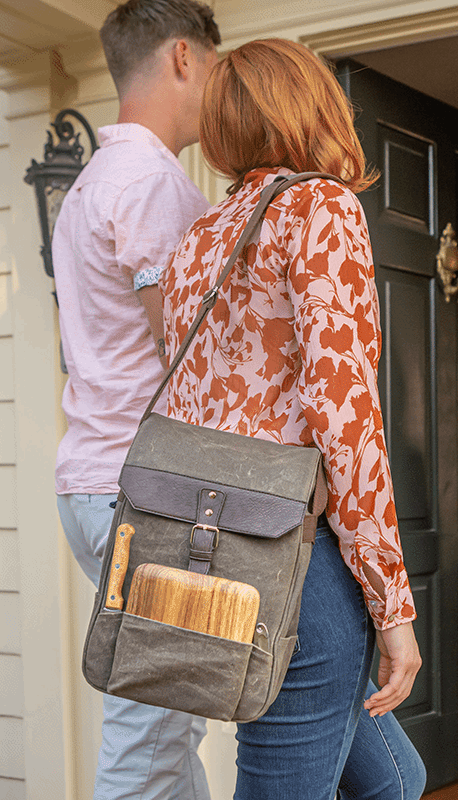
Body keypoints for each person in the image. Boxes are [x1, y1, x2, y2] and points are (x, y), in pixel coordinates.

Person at [159, 38, 426, 800]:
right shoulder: (321, 207)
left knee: (398, 779)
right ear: (314, 104)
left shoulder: (198, 241)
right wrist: (393, 607)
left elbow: (189, 409)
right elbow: (346, 421)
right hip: (294, 568)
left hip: (211, 555)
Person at [51, 1, 219, 797]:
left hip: (95, 482)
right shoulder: (153, 183)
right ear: (184, 57)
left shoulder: (89, 185)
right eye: (217, 69)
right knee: (148, 746)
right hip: (145, 492)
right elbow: (186, 355)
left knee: (168, 729)